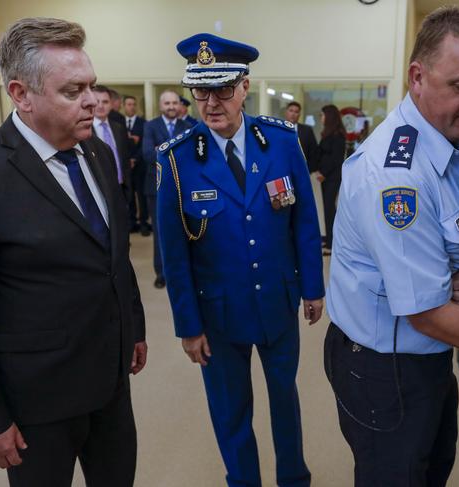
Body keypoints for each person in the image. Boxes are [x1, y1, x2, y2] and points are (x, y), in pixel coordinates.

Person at [324, 7, 459, 486]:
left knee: (432, 467)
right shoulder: (396, 177)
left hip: (433, 353)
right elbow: (426, 313)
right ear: (417, 77)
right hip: (385, 367)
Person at [0, 17, 147, 487]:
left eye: (91, 85)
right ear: (21, 95)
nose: (91, 100)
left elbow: (114, 253)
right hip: (35, 404)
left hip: (109, 383)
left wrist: (134, 326)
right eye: (73, 91)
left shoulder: (97, 153)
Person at [156, 33, 325, 487]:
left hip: (277, 301)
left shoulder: (282, 142)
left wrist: (313, 287)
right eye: (201, 92)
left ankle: (294, 479)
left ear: (245, 87)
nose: (211, 103)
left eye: (223, 90)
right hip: (218, 315)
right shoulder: (177, 161)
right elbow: (173, 256)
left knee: (285, 402)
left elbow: (304, 222)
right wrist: (188, 325)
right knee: (231, 413)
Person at [141, 90, 189, 288]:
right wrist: (174, 154)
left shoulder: (187, 127)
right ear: (161, 106)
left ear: (179, 105)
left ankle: (180, 272)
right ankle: (161, 273)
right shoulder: (150, 126)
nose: (171, 107)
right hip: (156, 188)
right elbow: (148, 155)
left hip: (182, 188)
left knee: (183, 231)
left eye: (174, 103)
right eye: (167, 103)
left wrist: (161, 149)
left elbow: (189, 159)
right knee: (160, 232)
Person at [93, 85, 132, 205]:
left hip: (120, 188)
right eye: (96, 101)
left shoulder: (119, 128)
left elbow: (125, 160)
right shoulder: (84, 130)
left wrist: (128, 186)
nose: (100, 105)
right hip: (97, 189)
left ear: (111, 104)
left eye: (105, 102)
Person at [315, 104, 346, 255]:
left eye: (322, 115)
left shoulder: (338, 135)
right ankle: (328, 240)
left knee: (329, 209)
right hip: (326, 177)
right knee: (327, 209)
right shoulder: (327, 134)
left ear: (329, 116)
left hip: (332, 178)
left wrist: (324, 173)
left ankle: (332, 243)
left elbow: (336, 159)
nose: (321, 118)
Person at [123, 94, 151, 235]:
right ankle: (131, 222)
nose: (132, 107)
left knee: (141, 196)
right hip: (125, 166)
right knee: (129, 196)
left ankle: (144, 223)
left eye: (134, 104)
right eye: (129, 104)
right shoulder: (119, 123)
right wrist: (127, 160)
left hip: (140, 166)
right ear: (124, 106)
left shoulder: (143, 123)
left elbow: (145, 145)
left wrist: (134, 159)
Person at [285, 101, 318, 173]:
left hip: (302, 170)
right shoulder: (278, 129)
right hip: (282, 170)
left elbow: (313, 151)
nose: (293, 114)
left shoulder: (307, 130)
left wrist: (309, 170)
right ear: (286, 112)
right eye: (291, 111)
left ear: (299, 114)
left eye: (296, 112)